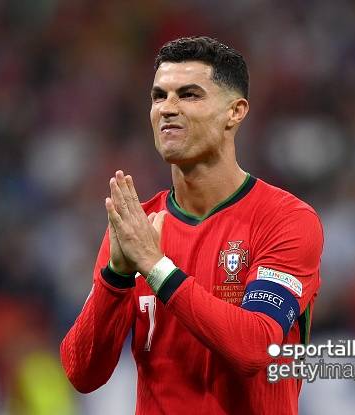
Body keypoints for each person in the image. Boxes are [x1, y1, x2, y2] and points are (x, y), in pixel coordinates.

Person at [61, 36, 323, 415]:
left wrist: (155, 267)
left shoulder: (285, 219)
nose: (167, 108)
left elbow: (256, 348)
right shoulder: (137, 227)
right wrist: (116, 276)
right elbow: (82, 373)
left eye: (189, 95)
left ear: (235, 112)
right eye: (158, 96)